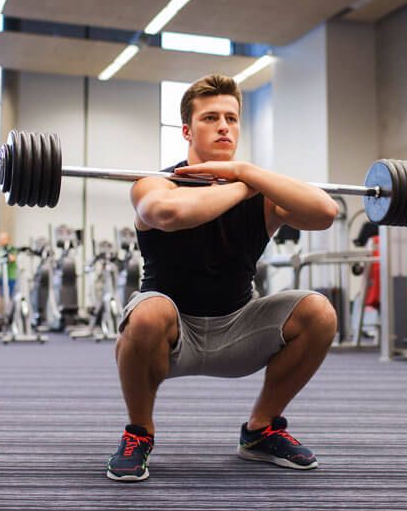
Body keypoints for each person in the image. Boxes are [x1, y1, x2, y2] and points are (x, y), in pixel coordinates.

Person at [107, 74, 339, 482]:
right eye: (210, 117)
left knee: (319, 312)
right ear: (186, 130)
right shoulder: (154, 183)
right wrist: (242, 186)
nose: (223, 127)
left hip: (238, 329)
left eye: (231, 118)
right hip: (170, 334)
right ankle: (139, 433)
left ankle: (260, 430)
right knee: (147, 313)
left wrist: (245, 172)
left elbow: (325, 212)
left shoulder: (258, 190)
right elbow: (170, 214)